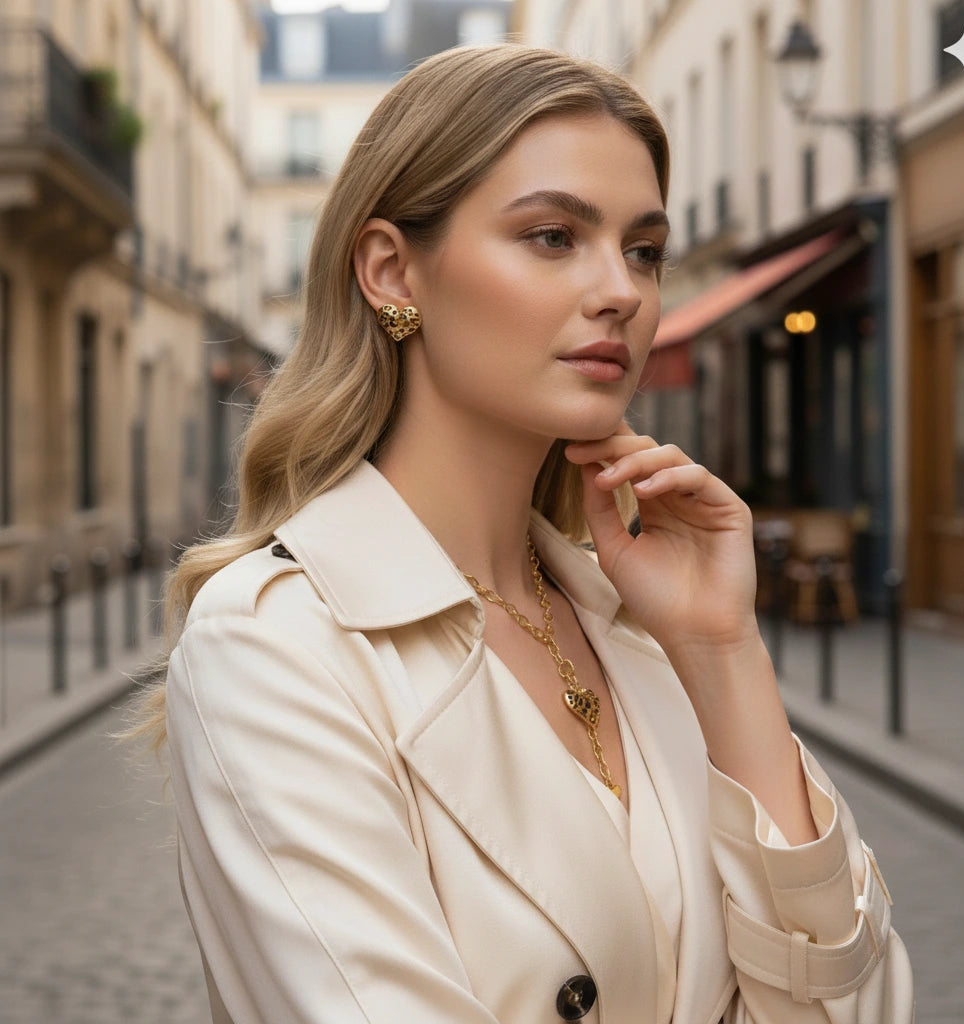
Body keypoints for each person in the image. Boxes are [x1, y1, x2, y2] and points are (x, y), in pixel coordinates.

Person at [139, 44, 914, 1023]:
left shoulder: (639, 628)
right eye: (553, 236)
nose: (622, 290)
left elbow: (857, 1004)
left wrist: (722, 649)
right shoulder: (276, 647)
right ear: (391, 271)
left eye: (643, 250)